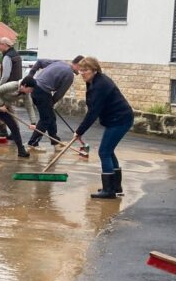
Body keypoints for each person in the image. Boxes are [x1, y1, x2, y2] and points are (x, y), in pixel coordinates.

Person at [73, 57, 134, 200]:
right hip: (116, 119)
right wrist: (80, 131)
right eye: (81, 70)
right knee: (109, 151)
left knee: (104, 152)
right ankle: (115, 186)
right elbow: (92, 106)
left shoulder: (101, 85)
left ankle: (109, 190)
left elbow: (93, 111)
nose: (82, 73)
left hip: (120, 120)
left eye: (86, 70)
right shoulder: (93, 81)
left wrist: (79, 131)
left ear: (94, 70)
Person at [25, 55, 82, 150]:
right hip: (43, 92)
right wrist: (51, 102)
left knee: (50, 117)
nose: (81, 71)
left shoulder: (60, 62)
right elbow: (60, 93)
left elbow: (39, 62)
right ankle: (32, 143)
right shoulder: (69, 75)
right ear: (76, 64)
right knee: (46, 119)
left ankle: (55, 142)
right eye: (81, 67)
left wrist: (30, 76)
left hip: (35, 89)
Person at [0, 38, 33, 136]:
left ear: (4, 44)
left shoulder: (8, 56)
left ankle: (5, 131)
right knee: (9, 109)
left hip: (8, 87)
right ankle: (13, 131)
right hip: (17, 86)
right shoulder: (16, 55)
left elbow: (6, 75)